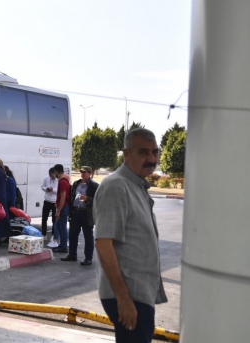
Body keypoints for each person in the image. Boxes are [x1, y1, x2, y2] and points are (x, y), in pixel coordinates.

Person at [94, 128, 167, 342]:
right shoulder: (117, 186)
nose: (151, 159)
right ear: (127, 154)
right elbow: (103, 243)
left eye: (155, 152)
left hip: (138, 294)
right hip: (128, 295)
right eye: (143, 152)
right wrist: (123, 299)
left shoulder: (135, 186)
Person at [61, 166, 99, 265]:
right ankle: (72, 254)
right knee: (72, 234)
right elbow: (72, 196)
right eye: (81, 171)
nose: (82, 173)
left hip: (86, 213)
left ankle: (88, 258)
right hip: (76, 212)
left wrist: (87, 199)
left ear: (90, 173)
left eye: (85, 172)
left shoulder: (94, 185)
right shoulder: (76, 183)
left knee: (88, 236)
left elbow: (99, 200)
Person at [51, 164, 71, 253]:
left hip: (63, 207)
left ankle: (63, 246)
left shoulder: (62, 182)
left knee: (62, 226)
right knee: (59, 226)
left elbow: (63, 197)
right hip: (64, 206)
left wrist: (58, 210)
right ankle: (62, 245)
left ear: (56, 172)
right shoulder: (65, 180)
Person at [41, 168, 58, 246]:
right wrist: (46, 189)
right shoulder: (46, 178)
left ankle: (53, 235)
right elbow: (42, 186)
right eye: (51, 176)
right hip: (47, 200)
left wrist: (53, 190)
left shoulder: (58, 180)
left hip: (54, 201)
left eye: (53, 175)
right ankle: (43, 234)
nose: (52, 177)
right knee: (44, 218)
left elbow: (59, 190)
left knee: (54, 219)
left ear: (56, 174)